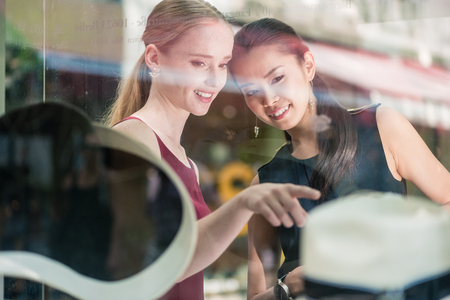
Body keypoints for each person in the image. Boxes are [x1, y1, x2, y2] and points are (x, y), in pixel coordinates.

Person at [104, 2, 320, 300]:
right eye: (199, 63)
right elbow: (158, 260)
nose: (214, 80)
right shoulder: (134, 139)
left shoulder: (185, 162)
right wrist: (244, 203)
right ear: (154, 58)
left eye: (222, 64)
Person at [228, 18, 450, 300]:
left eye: (277, 78)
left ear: (308, 65)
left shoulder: (382, 127)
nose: (269, 99)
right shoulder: (266, 182)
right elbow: (256, 295)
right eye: (251, 91)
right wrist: (289, 288)